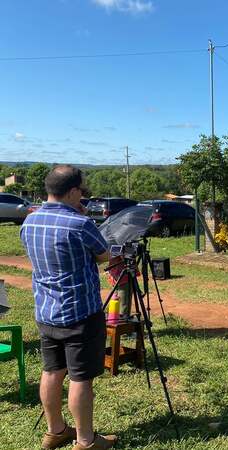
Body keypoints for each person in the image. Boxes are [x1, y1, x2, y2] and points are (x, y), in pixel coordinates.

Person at [20, 165, 117, 450]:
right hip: (80, 313)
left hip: (46, 311)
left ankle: (55, 431)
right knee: (80, 378)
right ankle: (86, 441)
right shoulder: (80, 224)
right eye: (81, 192)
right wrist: (83, 218)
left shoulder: (30, 223)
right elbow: (103, 255)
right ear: (73, 191)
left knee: (52, 372)